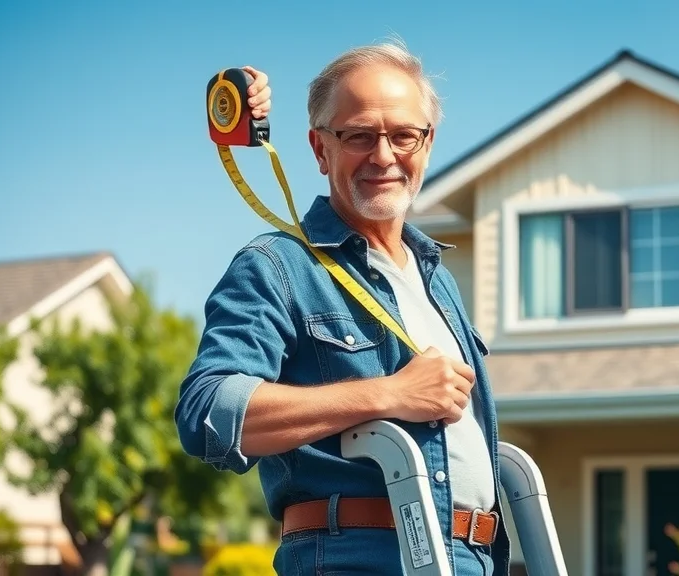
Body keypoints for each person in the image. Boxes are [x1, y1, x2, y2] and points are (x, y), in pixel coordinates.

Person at [175, 41, 509, 576]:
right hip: (356, 559)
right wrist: (389, 394)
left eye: (404, 135)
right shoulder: (277, 266)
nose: (384, 155)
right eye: (358, 135)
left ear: (427, 144)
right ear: (319, 148)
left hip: (473, 559)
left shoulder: (438, 280)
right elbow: (209, 412)